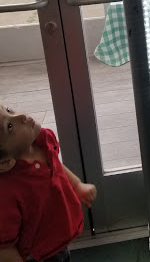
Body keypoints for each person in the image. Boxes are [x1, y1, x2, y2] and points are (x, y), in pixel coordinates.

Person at [0, 105, 97, 262]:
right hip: (38, 252)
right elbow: (4, 248)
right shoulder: (6, 191)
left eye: (9, 110)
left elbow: (55, 166)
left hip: (56, 236)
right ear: (5, 162)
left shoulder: (40, 142)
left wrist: (77, 185)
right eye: (9, 127)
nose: (21, 116)